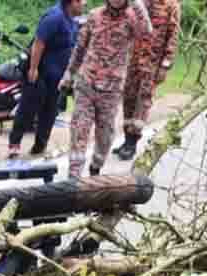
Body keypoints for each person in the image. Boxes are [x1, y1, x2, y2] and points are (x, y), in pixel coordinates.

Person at [60, 0, 151, 178]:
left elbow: (147, 31)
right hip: (86, 85)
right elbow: (80, 48)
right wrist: (69, 74)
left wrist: (137, 4)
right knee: (79, 129)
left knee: (105, 136)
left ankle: (96, 168)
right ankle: (73, 178)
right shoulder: (95, 16)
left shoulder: (132, 19)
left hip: (111, 90)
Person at [6, 0, 84, 159]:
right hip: (40, 72)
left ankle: (40, 145)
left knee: (50, 111)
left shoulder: (72, 21)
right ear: (72, 2)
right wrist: (33, 68)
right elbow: (39, 43)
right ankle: (14, 144)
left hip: (57, 77)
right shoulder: (54, 17)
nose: (85, 4)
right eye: (81, 1)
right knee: (28, 107)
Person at [113, 0, 180, 160]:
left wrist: (165, 65)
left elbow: (173, 36)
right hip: (133, 59)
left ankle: (132, 143)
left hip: (153, 63)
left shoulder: (171, 5)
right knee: (128, 98)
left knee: (143, 100)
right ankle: (127, 138)